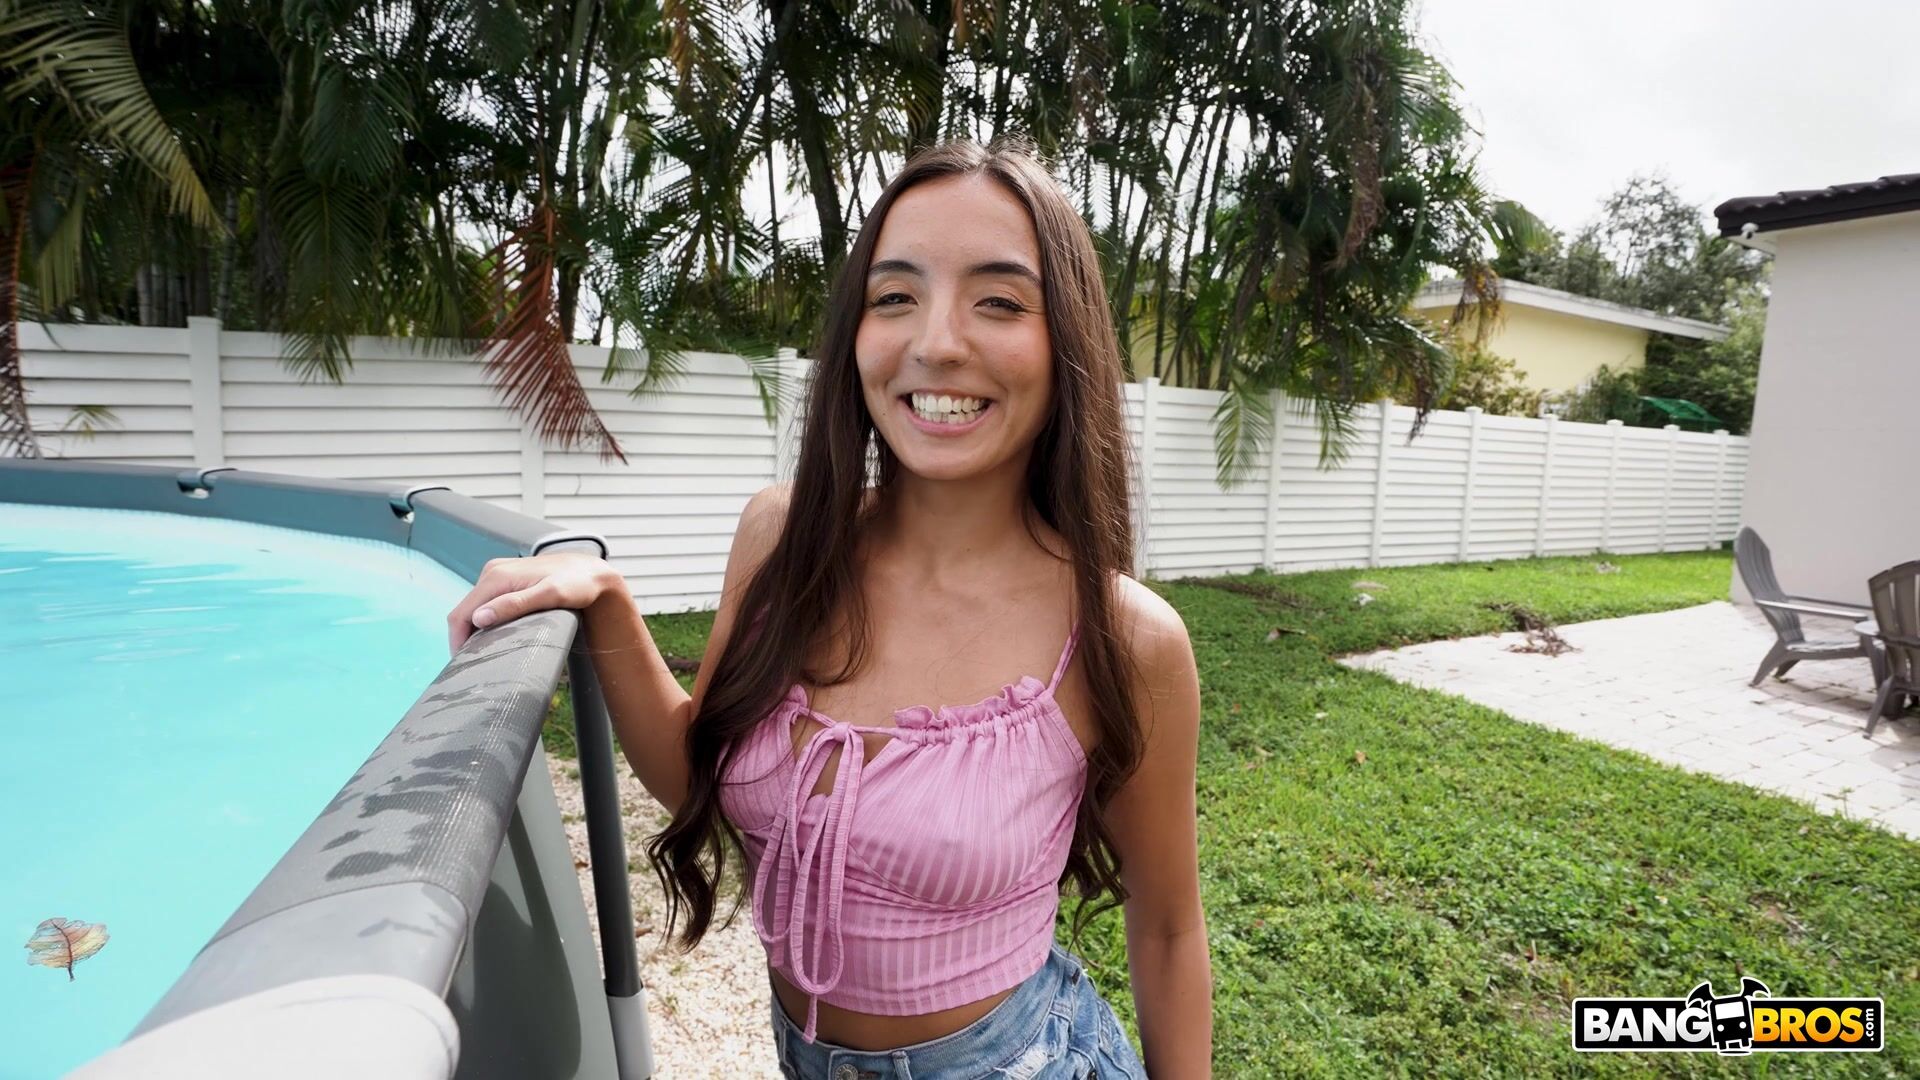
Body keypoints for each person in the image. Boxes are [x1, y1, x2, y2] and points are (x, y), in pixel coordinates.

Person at [448, 136, 1211, 1079]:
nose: (937, 342)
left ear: (1069, 347)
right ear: (855, 331)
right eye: (895, 297)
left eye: (1000, 302)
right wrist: (608, 607)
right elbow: (697, 775)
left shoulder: (1123, 637)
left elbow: (1169, 926)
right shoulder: (784, 541)